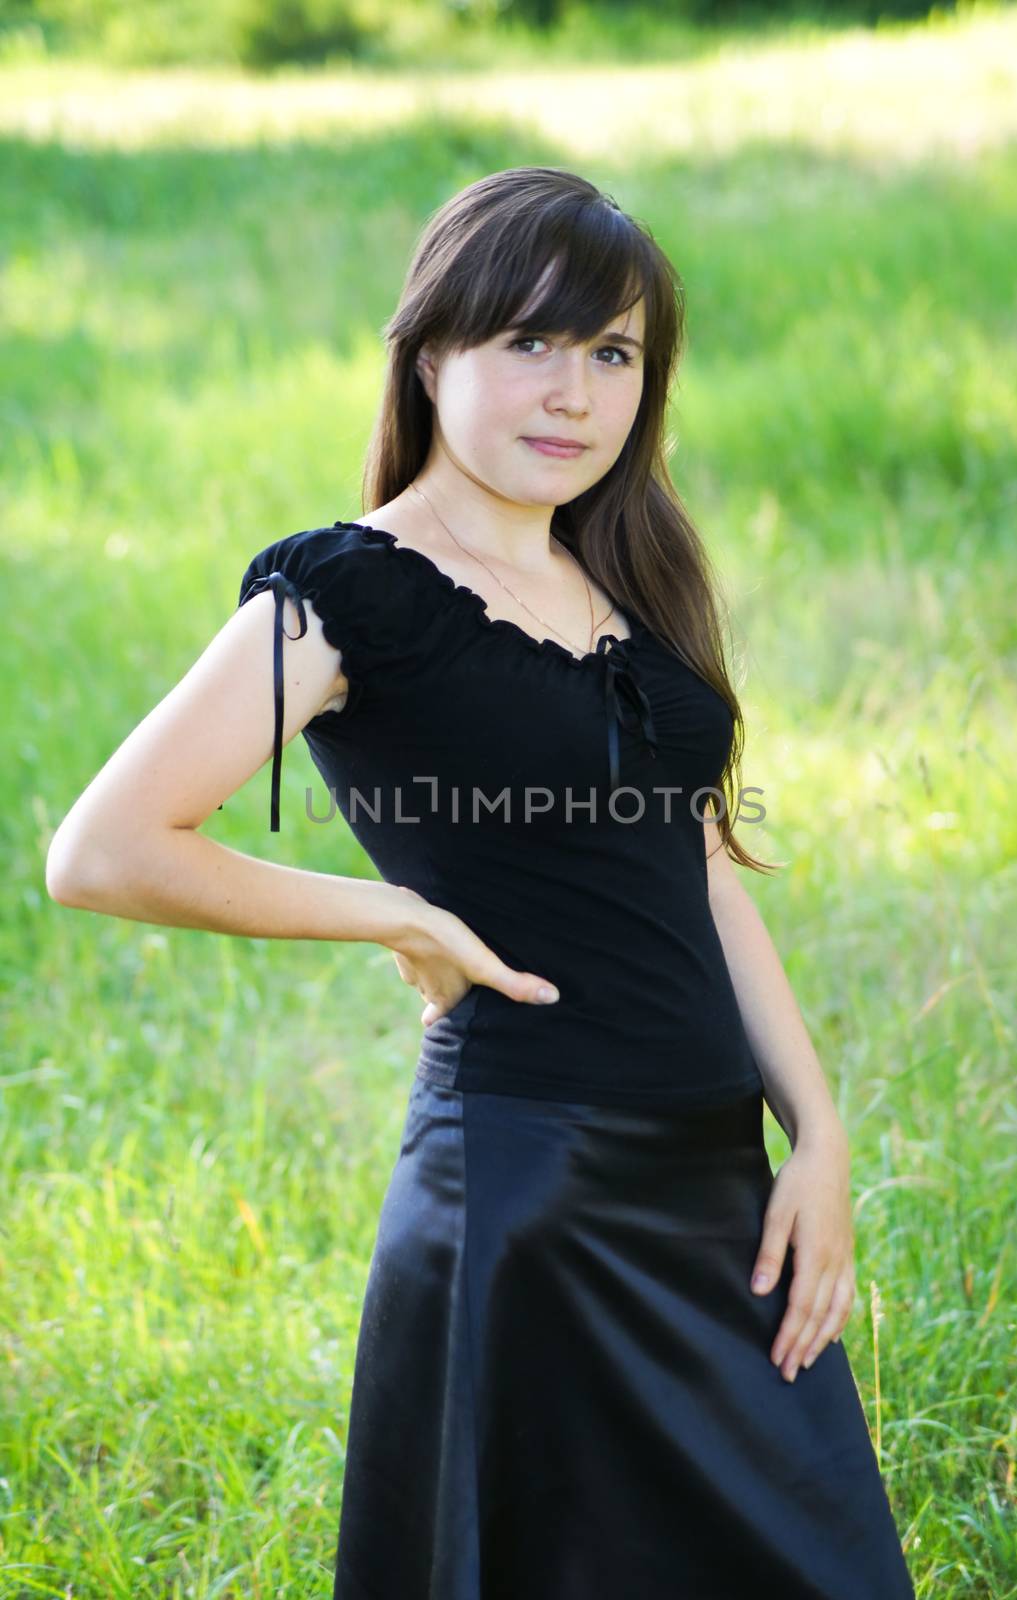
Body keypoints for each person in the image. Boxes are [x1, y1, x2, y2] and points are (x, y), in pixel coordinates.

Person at [46, 165, 916, 1599]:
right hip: (531, 1189)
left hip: (715, 1189)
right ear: (432, 353)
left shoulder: (629, 582)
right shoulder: (352, 590)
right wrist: (394, 910)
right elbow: (105, 848)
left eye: (613, 354)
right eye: (529, 341)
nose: (574, 392)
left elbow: (697, 872)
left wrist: (814, 1133)